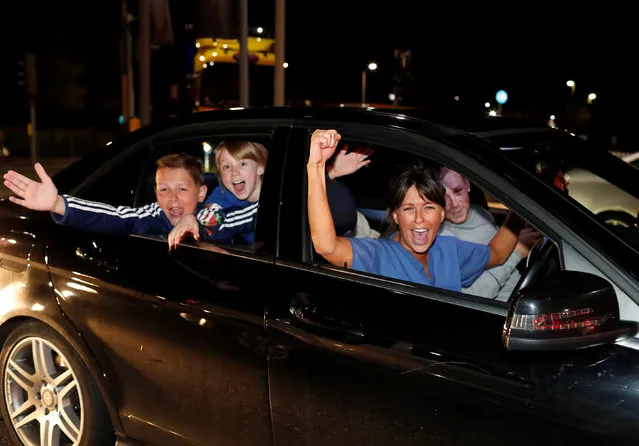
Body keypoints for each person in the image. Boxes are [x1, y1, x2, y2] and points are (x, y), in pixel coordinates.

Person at [307, 129, 527, 293]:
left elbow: (497, 253)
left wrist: (521, 208)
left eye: (429, 207)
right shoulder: (379, 255)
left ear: (441, 214)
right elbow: (326, 246)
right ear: (396, 215)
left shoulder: (449, 251)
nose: (420, 219)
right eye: (409, 209)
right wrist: (316, 167)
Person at [2, 153, 252, 246]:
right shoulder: (154, 214)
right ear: (155, 193)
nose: (172, 198)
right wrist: (58, 204)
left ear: (201, 193)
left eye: (182, 190)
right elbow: (116, 216)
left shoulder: (217, 211)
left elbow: (223, 221)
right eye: (163, 189)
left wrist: (193, 220)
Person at [169, 139, 372, 248]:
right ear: (220, 173)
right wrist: (191, 219)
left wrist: (332, 172)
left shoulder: (279, 187)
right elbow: (210, 217)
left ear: (260, 168)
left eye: (242, 163)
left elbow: (303, 191)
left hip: (354, 232)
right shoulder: (223, 195)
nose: (235, 172)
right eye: (226, 166)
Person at [438, 167, 542, 300]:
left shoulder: (479, 211)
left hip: (525, 292)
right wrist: (517, 252)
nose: (454, 204)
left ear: (468, 184)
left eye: (458, 191)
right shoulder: (441, 240)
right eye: (443, 198)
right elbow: (473, 296)